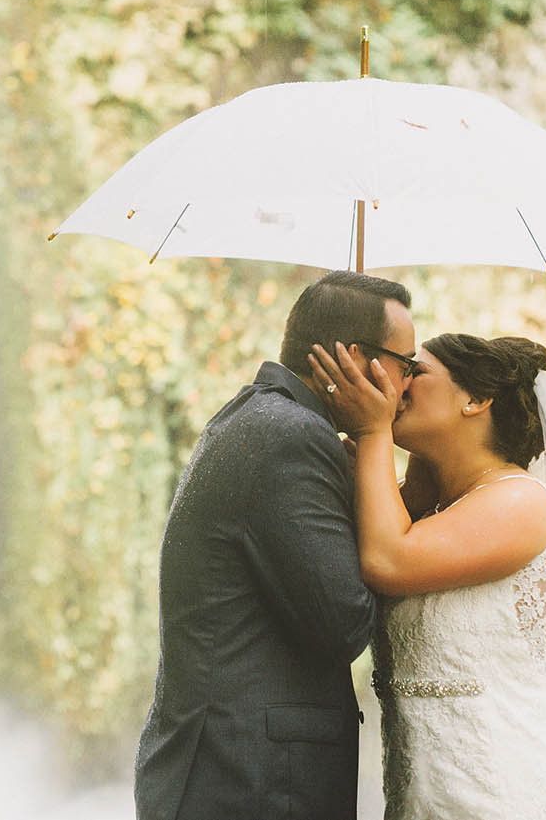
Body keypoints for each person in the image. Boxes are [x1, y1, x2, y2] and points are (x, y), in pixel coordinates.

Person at [309, 333, 546, 820]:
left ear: (476, 399)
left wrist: (374, 432)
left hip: (500, 794)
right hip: (421, 799)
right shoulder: (434, 508)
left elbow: (386, 562)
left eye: (415, 372)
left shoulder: (521, 502)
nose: (397, 385)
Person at [134, 270, 417, 820]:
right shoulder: (291, 437)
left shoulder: (258, 417)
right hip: (252, 781)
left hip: (233, 772)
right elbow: (343, 624)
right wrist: (376, 502)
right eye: (405, 365)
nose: (407, 385)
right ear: (354, 358)